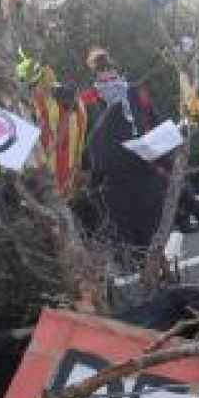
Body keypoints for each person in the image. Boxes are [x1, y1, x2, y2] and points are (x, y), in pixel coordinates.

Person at [80, 49, 167, 264]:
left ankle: (154, 268)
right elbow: (81, 136)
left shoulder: (136, 95)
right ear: (95, 76)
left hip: (143, 169)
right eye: (103, 75)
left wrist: (164, 154)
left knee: (150, 226)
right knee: (123, 230)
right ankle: (135, 271)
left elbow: (154, 122)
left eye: (112, 74)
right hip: (111, 175)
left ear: (118, 72)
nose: (109, 80)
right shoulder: (87, 101)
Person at [15, 51, 88, 200]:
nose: (30, 91)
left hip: (47, 179)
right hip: (68, 176)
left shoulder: (39, 102)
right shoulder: (73, 97)